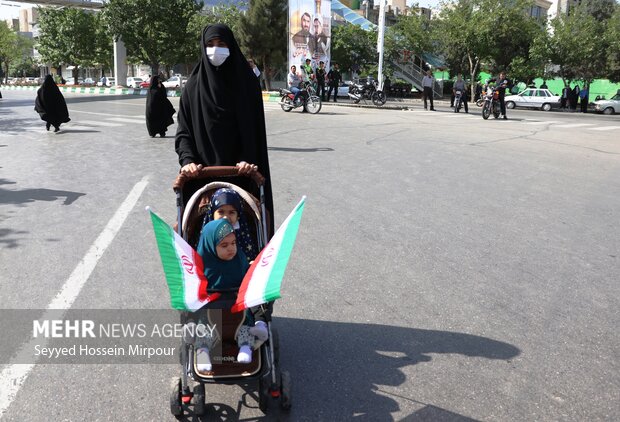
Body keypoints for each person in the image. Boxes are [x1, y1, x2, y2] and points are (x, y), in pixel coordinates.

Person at [174, 23, 274, 232]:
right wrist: (188, 161)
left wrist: (249, 159)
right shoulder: (193, 87)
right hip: (201, 178)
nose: (215, 49)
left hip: (242, 177)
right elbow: (184, 132)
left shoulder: (247, 84)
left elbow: (254, 131)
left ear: (232, 46)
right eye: (210, 44)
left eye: (221, 44)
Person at [194, 219, 266, 371]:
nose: (231, 248)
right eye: (224, 245)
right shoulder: (201, 266)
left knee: (246, 329)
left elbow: (249, 283)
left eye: (233, 243)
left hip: (237, 314)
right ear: (210, 246)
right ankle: (203, 353)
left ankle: (245, 349)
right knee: (202, 332)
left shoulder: (239, 260)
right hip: (210, 315)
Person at [203, 188, 259, 262]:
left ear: (238, 215)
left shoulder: (244, 233)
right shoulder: (207, 233)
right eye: (221, 212)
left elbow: (249, 254)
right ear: (212, 214)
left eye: (231, 212)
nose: (225, 217)